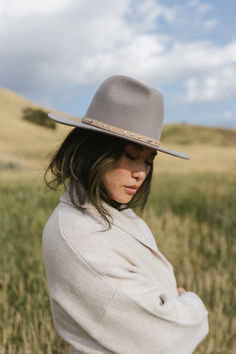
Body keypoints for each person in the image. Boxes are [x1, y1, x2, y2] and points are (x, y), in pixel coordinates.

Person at [42, 75, 209, 354]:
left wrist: (171, 306)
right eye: (131, 155)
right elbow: (165, 339)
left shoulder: (115, 213)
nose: (140, 173)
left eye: (148, 161)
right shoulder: (78, 235)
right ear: (94, 151)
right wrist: (191, 303)